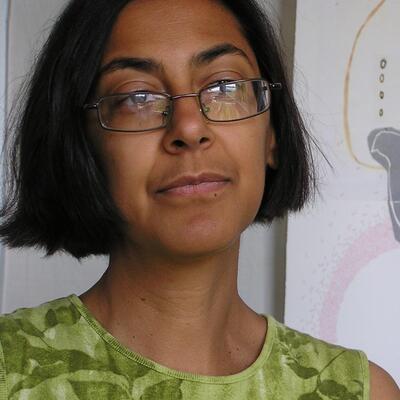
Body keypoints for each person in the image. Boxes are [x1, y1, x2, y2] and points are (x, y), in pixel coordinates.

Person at [0, 0, 399, 399]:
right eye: (137, 97)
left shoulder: (359, 391)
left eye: (225, 86)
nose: (190, 128)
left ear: (272, 134)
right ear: (80, 146)